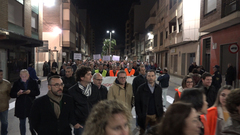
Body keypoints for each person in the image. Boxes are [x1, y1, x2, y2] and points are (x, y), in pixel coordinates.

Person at [68, 66, 101, 135]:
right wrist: (74, 123)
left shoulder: (95, 88)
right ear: (82, 77)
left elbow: (99, 105)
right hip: (80, 125)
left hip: (94, 123)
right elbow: (70, 109)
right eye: (88, 74)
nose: (91, 76)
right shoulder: (72, 91)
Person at [10, 69, 40, 135]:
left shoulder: (33, 82)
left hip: (31, 105)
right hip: (21, 106)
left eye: (25, 76)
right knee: (22, 123)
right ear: (20, 76)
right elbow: (12, 94)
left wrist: (30, 92)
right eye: (22, 76)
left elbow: (37, 92)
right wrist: (17, 94)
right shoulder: (16, 83)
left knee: (32, 123)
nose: (24, 78)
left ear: (28, 75)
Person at [135, 69, 164, 135]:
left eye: (152, 76)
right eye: (149, 76)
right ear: (146, 77)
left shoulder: (158, 88)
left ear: (155, 77)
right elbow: (137, 103)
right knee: (142, 132)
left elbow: (160, 102)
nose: (151, 78)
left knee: (155, 132)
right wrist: (139, 114)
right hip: (145, 115)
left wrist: (160, 114)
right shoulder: (141, 88)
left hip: (155, 115)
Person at [0, 70, 11, 135]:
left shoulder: (7, 84)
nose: (0, 76)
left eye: (1, 74)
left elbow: (9, 94)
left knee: (4, 123)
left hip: (4, 107)